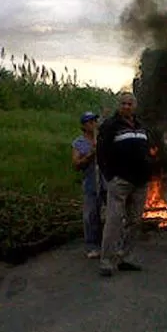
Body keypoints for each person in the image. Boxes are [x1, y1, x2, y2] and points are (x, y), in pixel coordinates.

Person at [96, 92, 152, 276]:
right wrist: (110, 177)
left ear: (134, 106)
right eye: (123, 103)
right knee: (114, 221)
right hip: (120, 181)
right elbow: (101, 153)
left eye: (130, 103)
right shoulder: (110, 126)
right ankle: (107, 261)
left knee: (134, 222)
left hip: (140, 182)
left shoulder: (141, 126)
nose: (127, 106)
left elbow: (148, 150)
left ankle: (125, 257)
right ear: (118, 105)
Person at [72, 111, 106, 259]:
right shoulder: (79, 143)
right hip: (90, 183)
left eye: (95, 121)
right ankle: (93, 246)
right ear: (84, 125)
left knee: (112, 214)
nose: (93, 124)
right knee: (91, 215)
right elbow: (76, 164)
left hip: (106, 182)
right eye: (90, 122)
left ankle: (112, 244)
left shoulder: (103, 139)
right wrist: (91, 154)